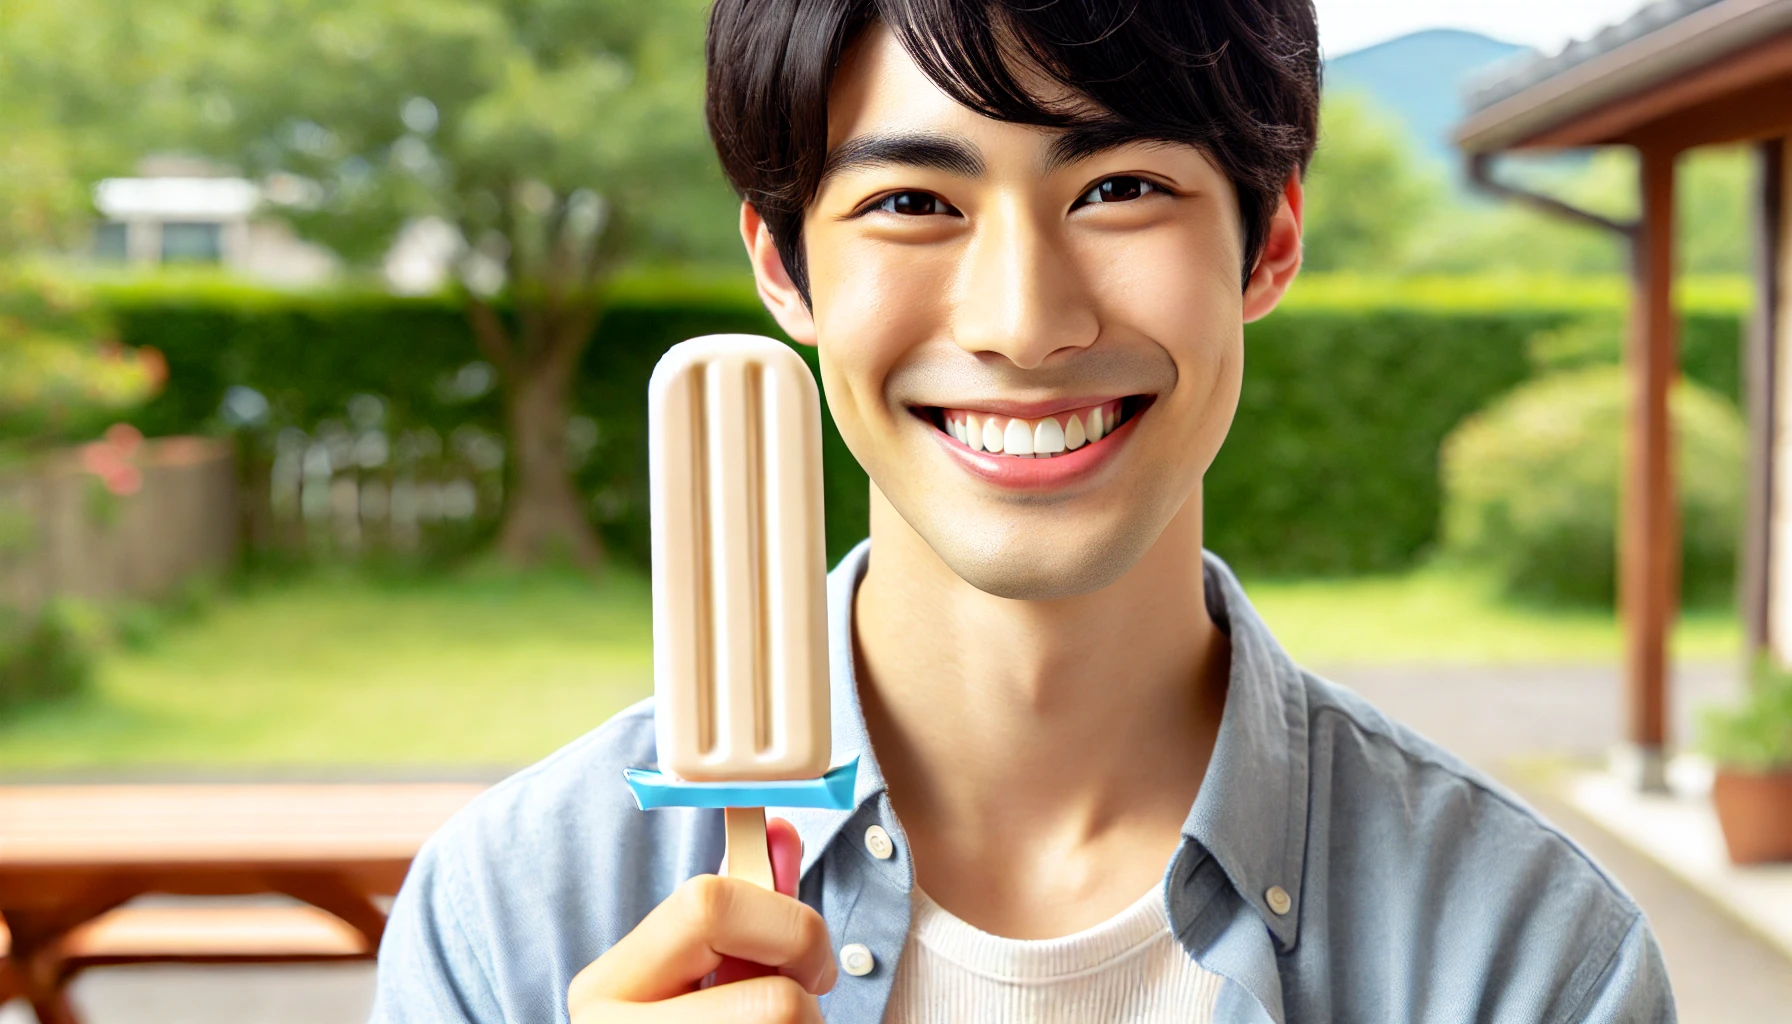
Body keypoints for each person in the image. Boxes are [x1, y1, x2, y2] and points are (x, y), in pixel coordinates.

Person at [371, 1, 1675, 1021]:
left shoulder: (1527, 960)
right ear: (783, 267)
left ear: (1269, 241)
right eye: (911, 204)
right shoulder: (512, 924)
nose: (1025, 324)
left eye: (1119, 189)